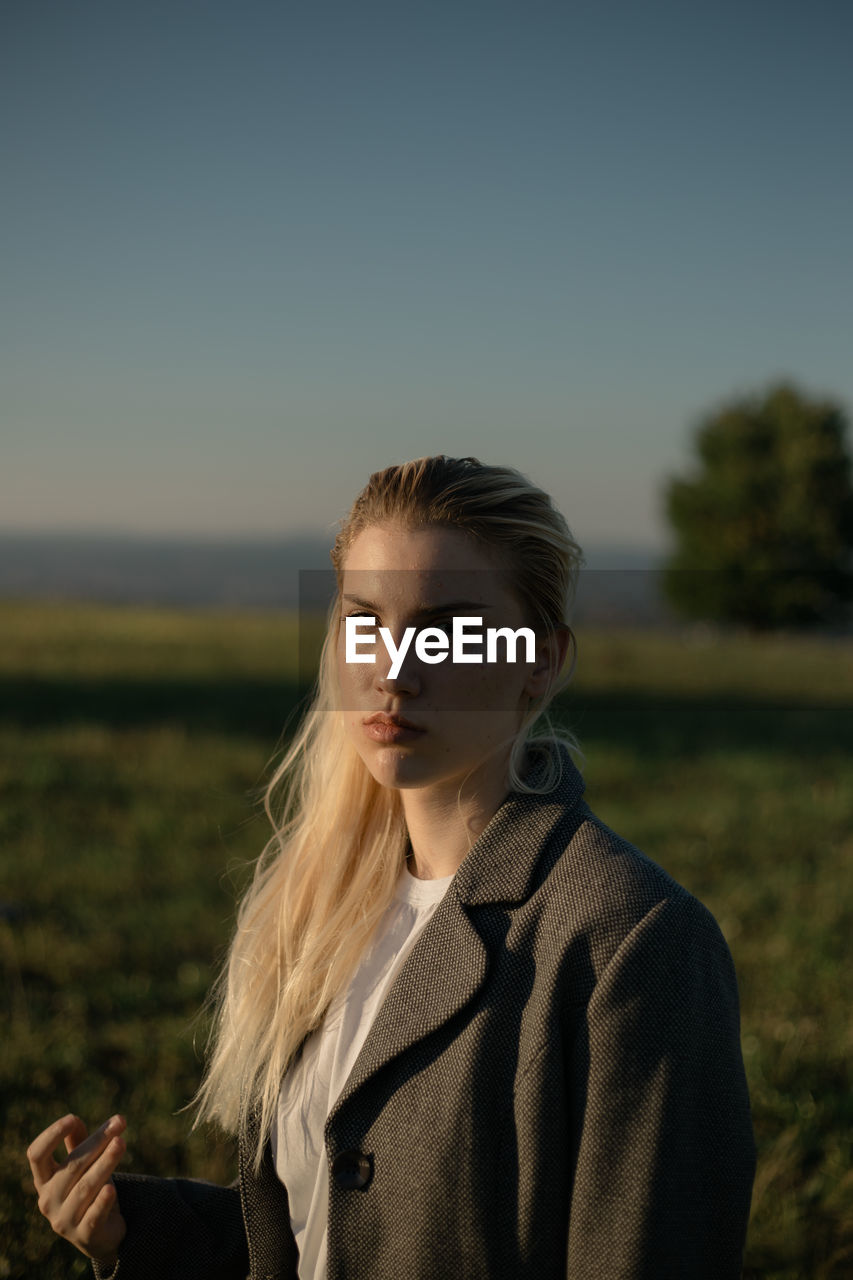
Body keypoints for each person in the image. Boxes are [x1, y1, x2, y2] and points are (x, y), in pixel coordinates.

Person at [27, 455, 757, 1279]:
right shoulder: (323, 907)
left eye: (449, 628)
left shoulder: (632, 940)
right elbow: (327, 1231)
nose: (394, 670)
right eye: (366, 620)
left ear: (540, 662)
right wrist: (143, 1232)